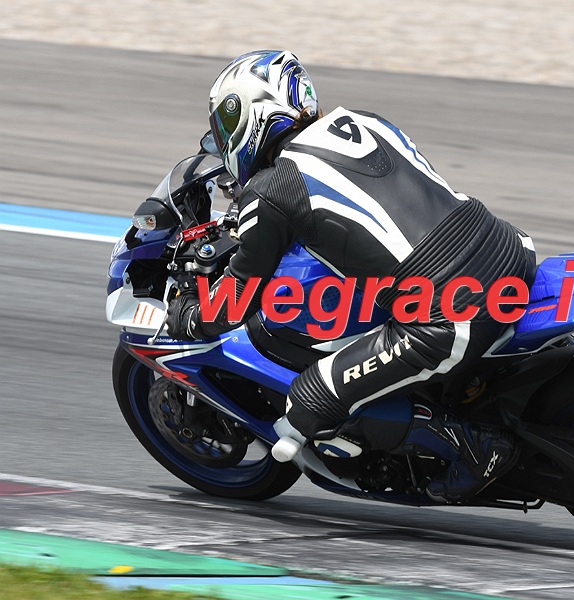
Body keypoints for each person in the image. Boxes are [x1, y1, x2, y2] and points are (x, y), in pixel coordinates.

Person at [165, 50, 535, 502]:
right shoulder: (364, 121)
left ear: (252, 117)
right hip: (510, 249)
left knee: (308, 398)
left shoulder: (273, 188)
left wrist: (188, 315)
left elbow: (234, 302)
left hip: (450, 315)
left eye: (226, 123)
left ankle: (476, 449)